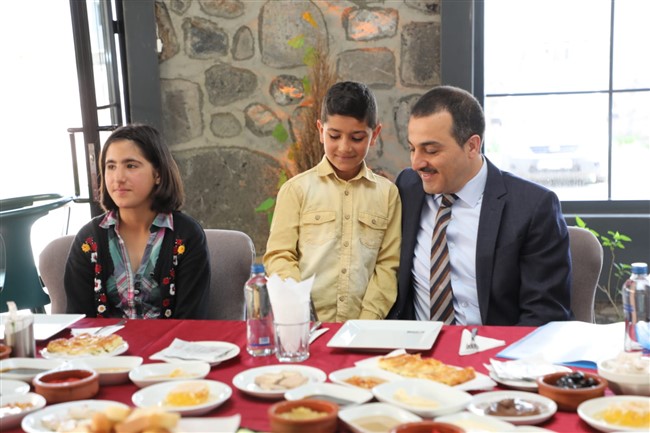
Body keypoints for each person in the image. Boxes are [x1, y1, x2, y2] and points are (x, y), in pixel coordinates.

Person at [387, 85, 573, 325]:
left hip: (494, 345)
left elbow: (544, 315)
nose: (416, 163)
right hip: (415, 345)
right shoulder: (408, 186)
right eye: (412, 148)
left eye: (431, 150)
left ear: (472, 146)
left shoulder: (533, 207)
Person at [264, 81, 401, 322]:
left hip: (366, 326)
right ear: (320, 130)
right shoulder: (295, 190)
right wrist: (301, 310)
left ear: (375, 135)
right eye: (334, 136)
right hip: (306, 324)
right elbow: (280, 256)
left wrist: (367, 321)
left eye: (357, 138)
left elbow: (387, 265)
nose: (344, 147)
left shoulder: (387, 194)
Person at [64, 124, 211, 319]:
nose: (118, 178)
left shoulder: (187, 236)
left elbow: (192, 321)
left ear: (158, 174)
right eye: (111, 166)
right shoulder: (89, 239)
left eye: (131, 166)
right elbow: (78, 320)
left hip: (174, 340)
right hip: (103, 340)